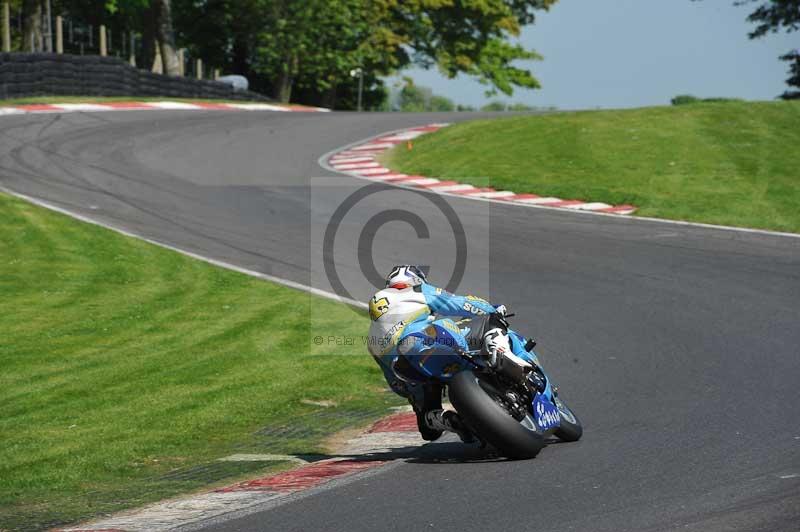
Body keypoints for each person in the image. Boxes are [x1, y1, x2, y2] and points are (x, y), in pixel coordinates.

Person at [367, 265, 524, 442]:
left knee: (428, 430)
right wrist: (492, 309)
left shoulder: (371, 340)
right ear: (415, 280)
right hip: (430, 339)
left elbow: (396, 384)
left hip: (407, 369)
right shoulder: (417, 290)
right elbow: (460, 304)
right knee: (490, 321)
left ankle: (443, 419)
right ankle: (500, 355)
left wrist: (414, 394)